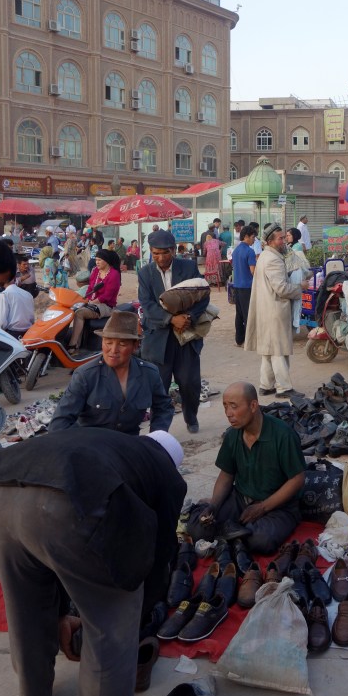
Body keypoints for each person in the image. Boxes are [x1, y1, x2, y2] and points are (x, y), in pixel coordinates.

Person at [0, 427, 186, 696]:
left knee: (25, 604)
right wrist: (140, 609)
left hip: (0, 492)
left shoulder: (109, 443)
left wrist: (60, 614)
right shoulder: (166, 472)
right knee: (112, 617)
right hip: (62, 501)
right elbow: (160, 553)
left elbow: (51, 557)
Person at [191, 382, 306, 553]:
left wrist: (263, 507)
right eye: (225, 407)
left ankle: (234, 533)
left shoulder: (283, 435)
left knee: (260, 541)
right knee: (198, 528)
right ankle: (235, 532)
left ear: (253, 406)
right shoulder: (232, 435)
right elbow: (226, 475)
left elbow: (297, 479)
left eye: (234, 407)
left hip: (277, 506)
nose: (228, 414)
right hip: (241, 499)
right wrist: (214, 506)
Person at [49, 311, 174, 435]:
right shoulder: (85, 375)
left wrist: (156, 438)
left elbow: (163, 407)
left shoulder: (149, 373)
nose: (113, 350)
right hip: (92, 447)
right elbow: (59, 423)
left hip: (129, 444)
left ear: (135, 345)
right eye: (108, 342)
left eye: (122, 344)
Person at [138, 229, 209, 433]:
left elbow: (202, 295)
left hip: (186, 337)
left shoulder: (188, 267)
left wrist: (189, 318)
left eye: (164, 253)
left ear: (173, 250)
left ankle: (191, 417)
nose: (160, 258)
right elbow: (147, 305)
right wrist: (171, 319)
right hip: (158, 339)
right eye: (155, 253)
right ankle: (159, 427)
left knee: (189, 382)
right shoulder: (145, 274)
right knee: (159, 385)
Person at [244, 222, 309, 398]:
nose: (284, 241)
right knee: (279, 351)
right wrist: (300, 286)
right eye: (280, 238)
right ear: (271, 241)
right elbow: (281, 288)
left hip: (268, 309)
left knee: (268, 350)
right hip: (274, 310)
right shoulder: (273, 259)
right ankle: (284, 387)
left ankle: (266, 385)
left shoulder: (266, 256)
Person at [69, 249, 121, 353]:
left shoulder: (114, 274)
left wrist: (90, 302)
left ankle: (73, 344)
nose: (97, 262)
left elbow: (107, 296)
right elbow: (90, 288)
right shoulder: (96, 271)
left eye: (100, 260)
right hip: (93, 303)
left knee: (79, 313)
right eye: (96, 260)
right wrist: (86, 300)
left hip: (106, 306)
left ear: (106, 261)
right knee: (71, 309)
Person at [232, 225, 257, 346]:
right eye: (253, 237)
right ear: (246, 236)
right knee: (249, 314)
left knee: (240, 314)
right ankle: (250, 340)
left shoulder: (236, 250)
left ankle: (239, 339)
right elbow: (253, 271)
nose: (254, 239)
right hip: (247, 286)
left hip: (237, 286)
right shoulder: (250, 251)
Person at [285, 227, 311, 332]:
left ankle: (294, 326)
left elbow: (295, 260)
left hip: (296, 274)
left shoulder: (297, 246)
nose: (287, 237)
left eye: (288, 235)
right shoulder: (289, 246)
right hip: (291, 275)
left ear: (294, 236)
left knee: (295, 303)